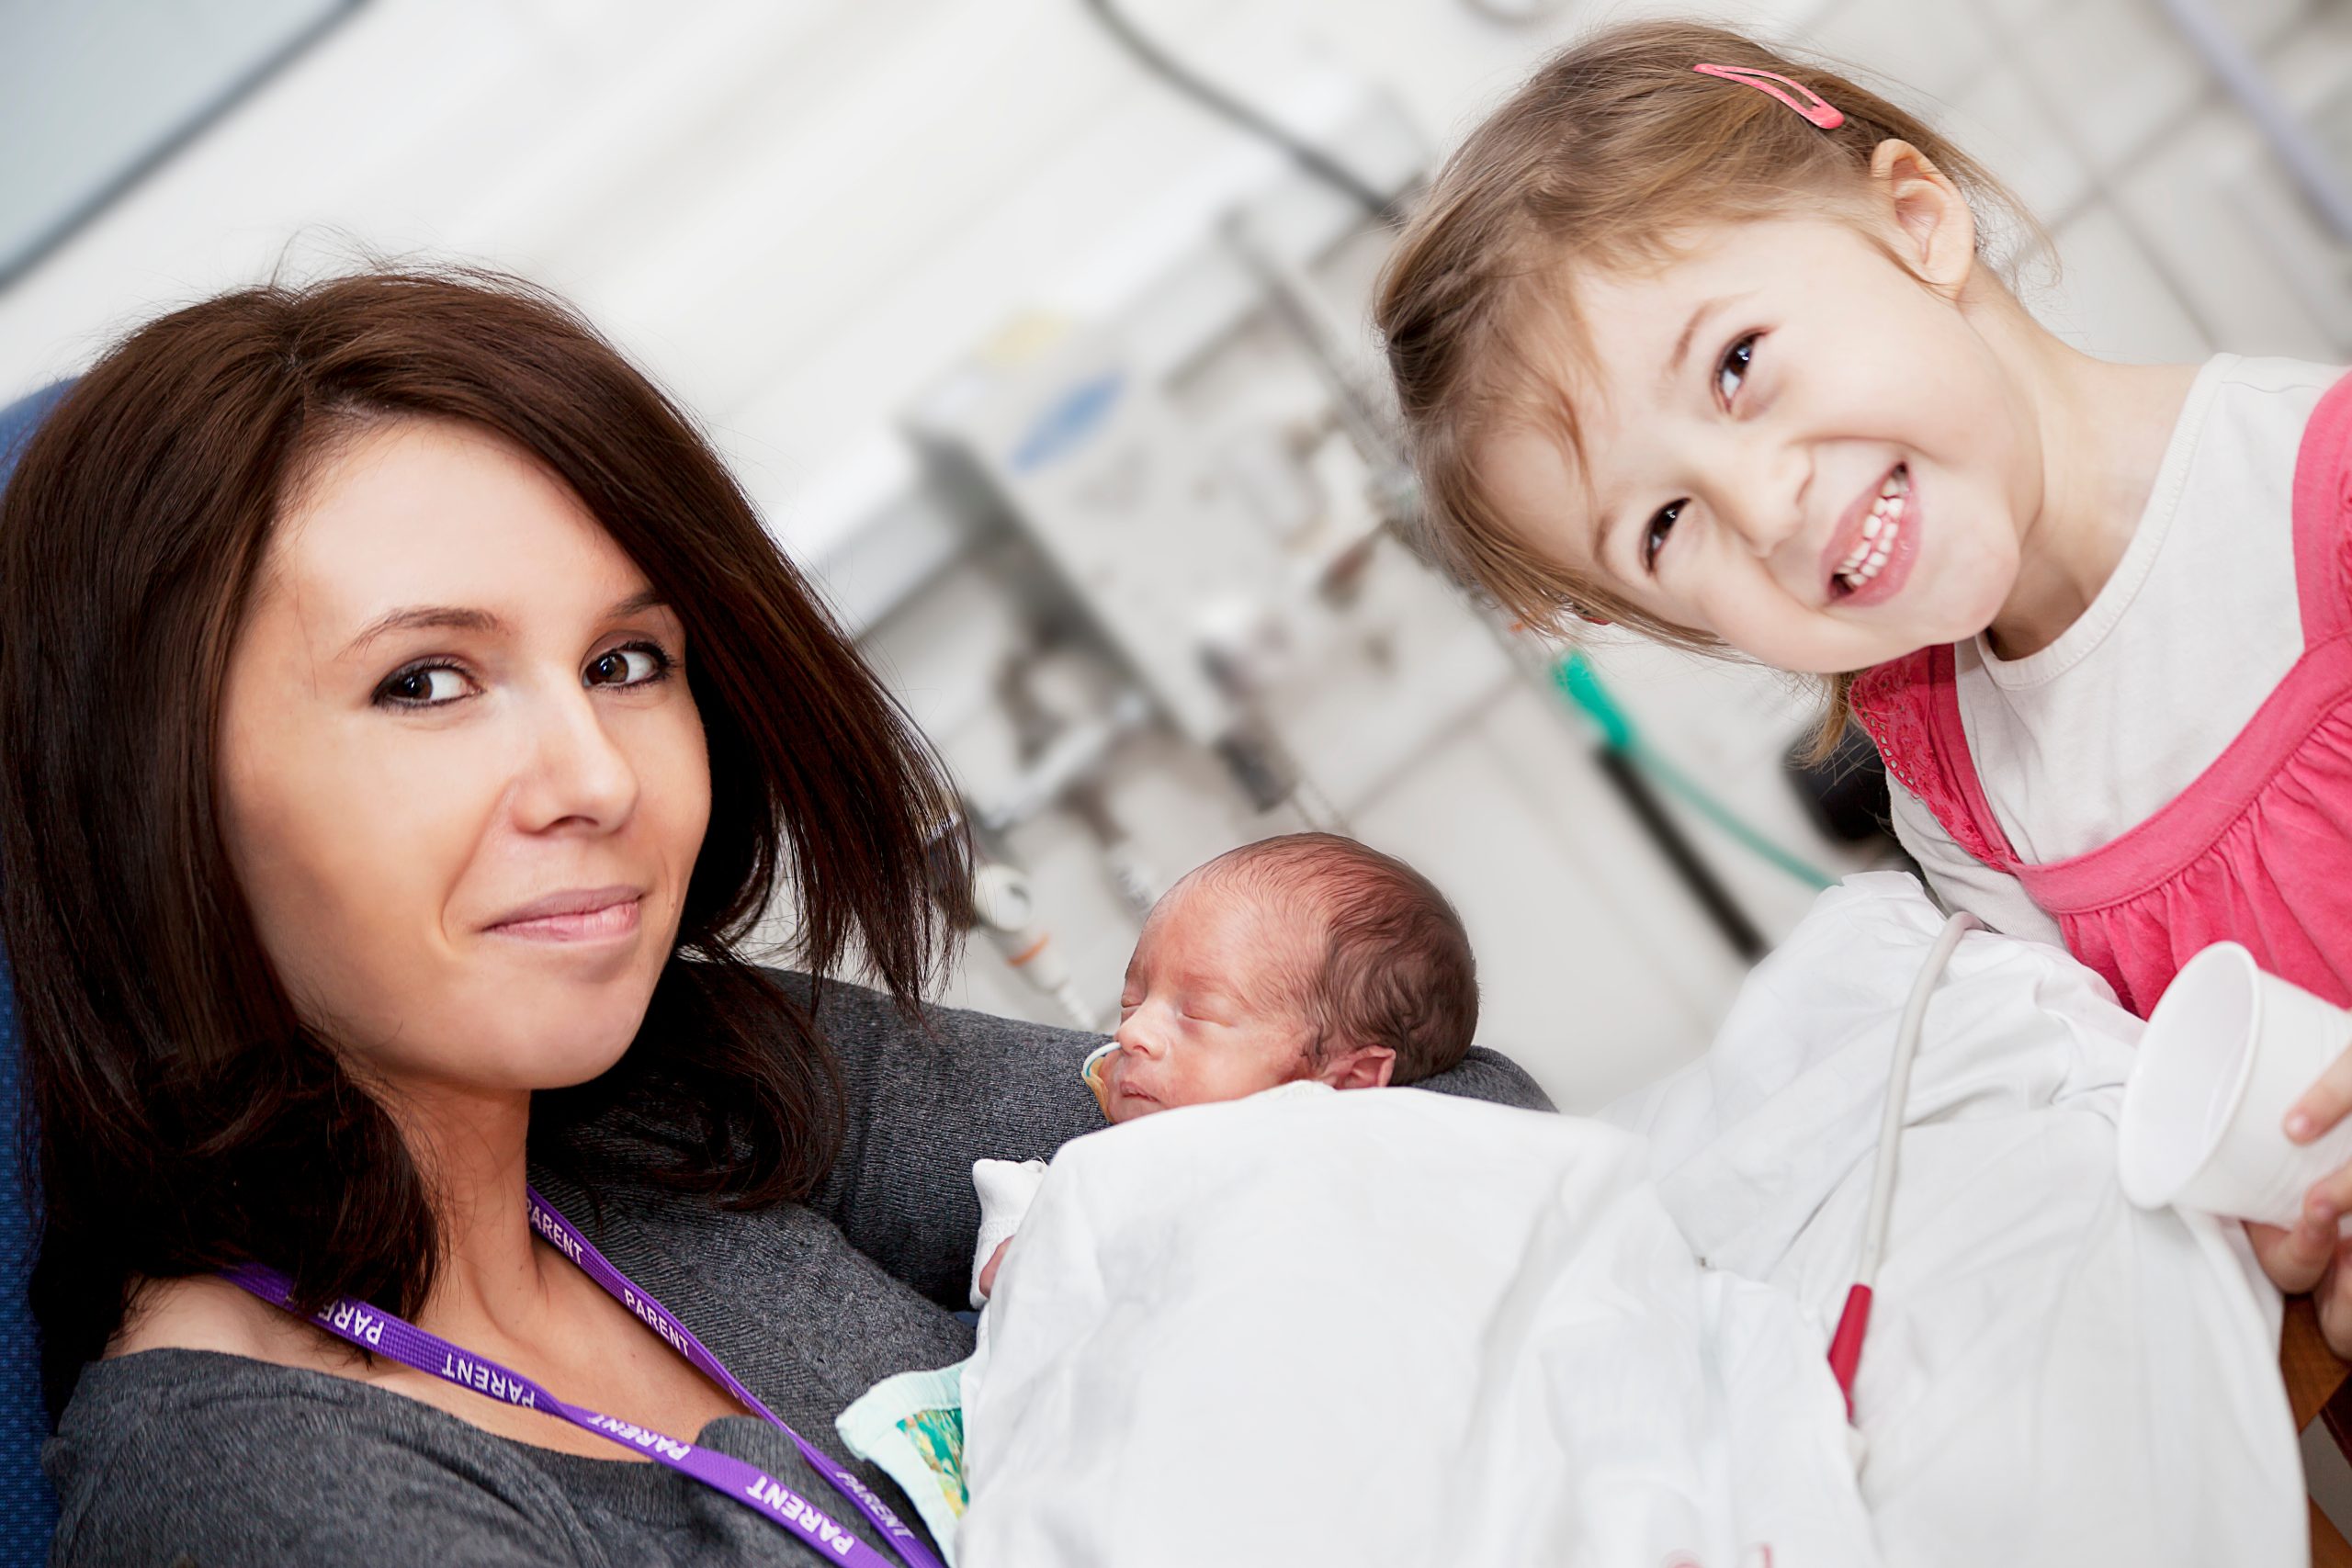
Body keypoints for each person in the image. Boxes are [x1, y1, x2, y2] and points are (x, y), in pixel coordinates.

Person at [4, 269, 1546, 1566]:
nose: (597, 775)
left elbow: (1452, 1126)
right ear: (158, 792)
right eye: (426, 682)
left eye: (627, 661)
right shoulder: (260, 1495)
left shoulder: (691, 1091)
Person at [1372, 17, 2352, 1353]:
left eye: (1736, 364)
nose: (1765, 504)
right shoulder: (1951, 780)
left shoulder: (2325, 506)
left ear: (1917, 220)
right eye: (1662, 526)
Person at [975, 830, 1481, 1299]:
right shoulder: (1076, 1177)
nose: (1131, 1032)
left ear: (1347, 1082)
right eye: (1132, 1001)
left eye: (1196, 1014)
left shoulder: (1330, 1181)